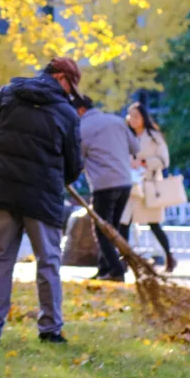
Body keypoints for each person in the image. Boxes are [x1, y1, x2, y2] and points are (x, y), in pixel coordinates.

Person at [0, 57, 83, 345]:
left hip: (5, 191)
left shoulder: (10, 93)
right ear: (60, 77)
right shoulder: (66, 113)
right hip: (43, 197)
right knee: (48, 262)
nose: (70, 93)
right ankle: (50, 329)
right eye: (70, 85)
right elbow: (74, 167)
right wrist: (58, 175)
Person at [75, 95, 139, 282]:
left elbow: (78, 159)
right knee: (113, 228)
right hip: (124, 181)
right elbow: (135, 147)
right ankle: (104, 269)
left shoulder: (82, 128)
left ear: (80, 110)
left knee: (102, 230)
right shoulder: (117, 121)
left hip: (104, 184)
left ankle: (117, 270)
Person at [121, 101, 177, 272]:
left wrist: (144, 162)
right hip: (130, 186)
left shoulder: (154, 137)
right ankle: (124, 260)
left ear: (144, 118)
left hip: (149, 186)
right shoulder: (125, 135)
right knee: (124, 223)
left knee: (154, 224)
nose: (133, 119)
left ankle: (169, 257)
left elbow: (164, 161)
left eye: (136, 116)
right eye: (130, 116)